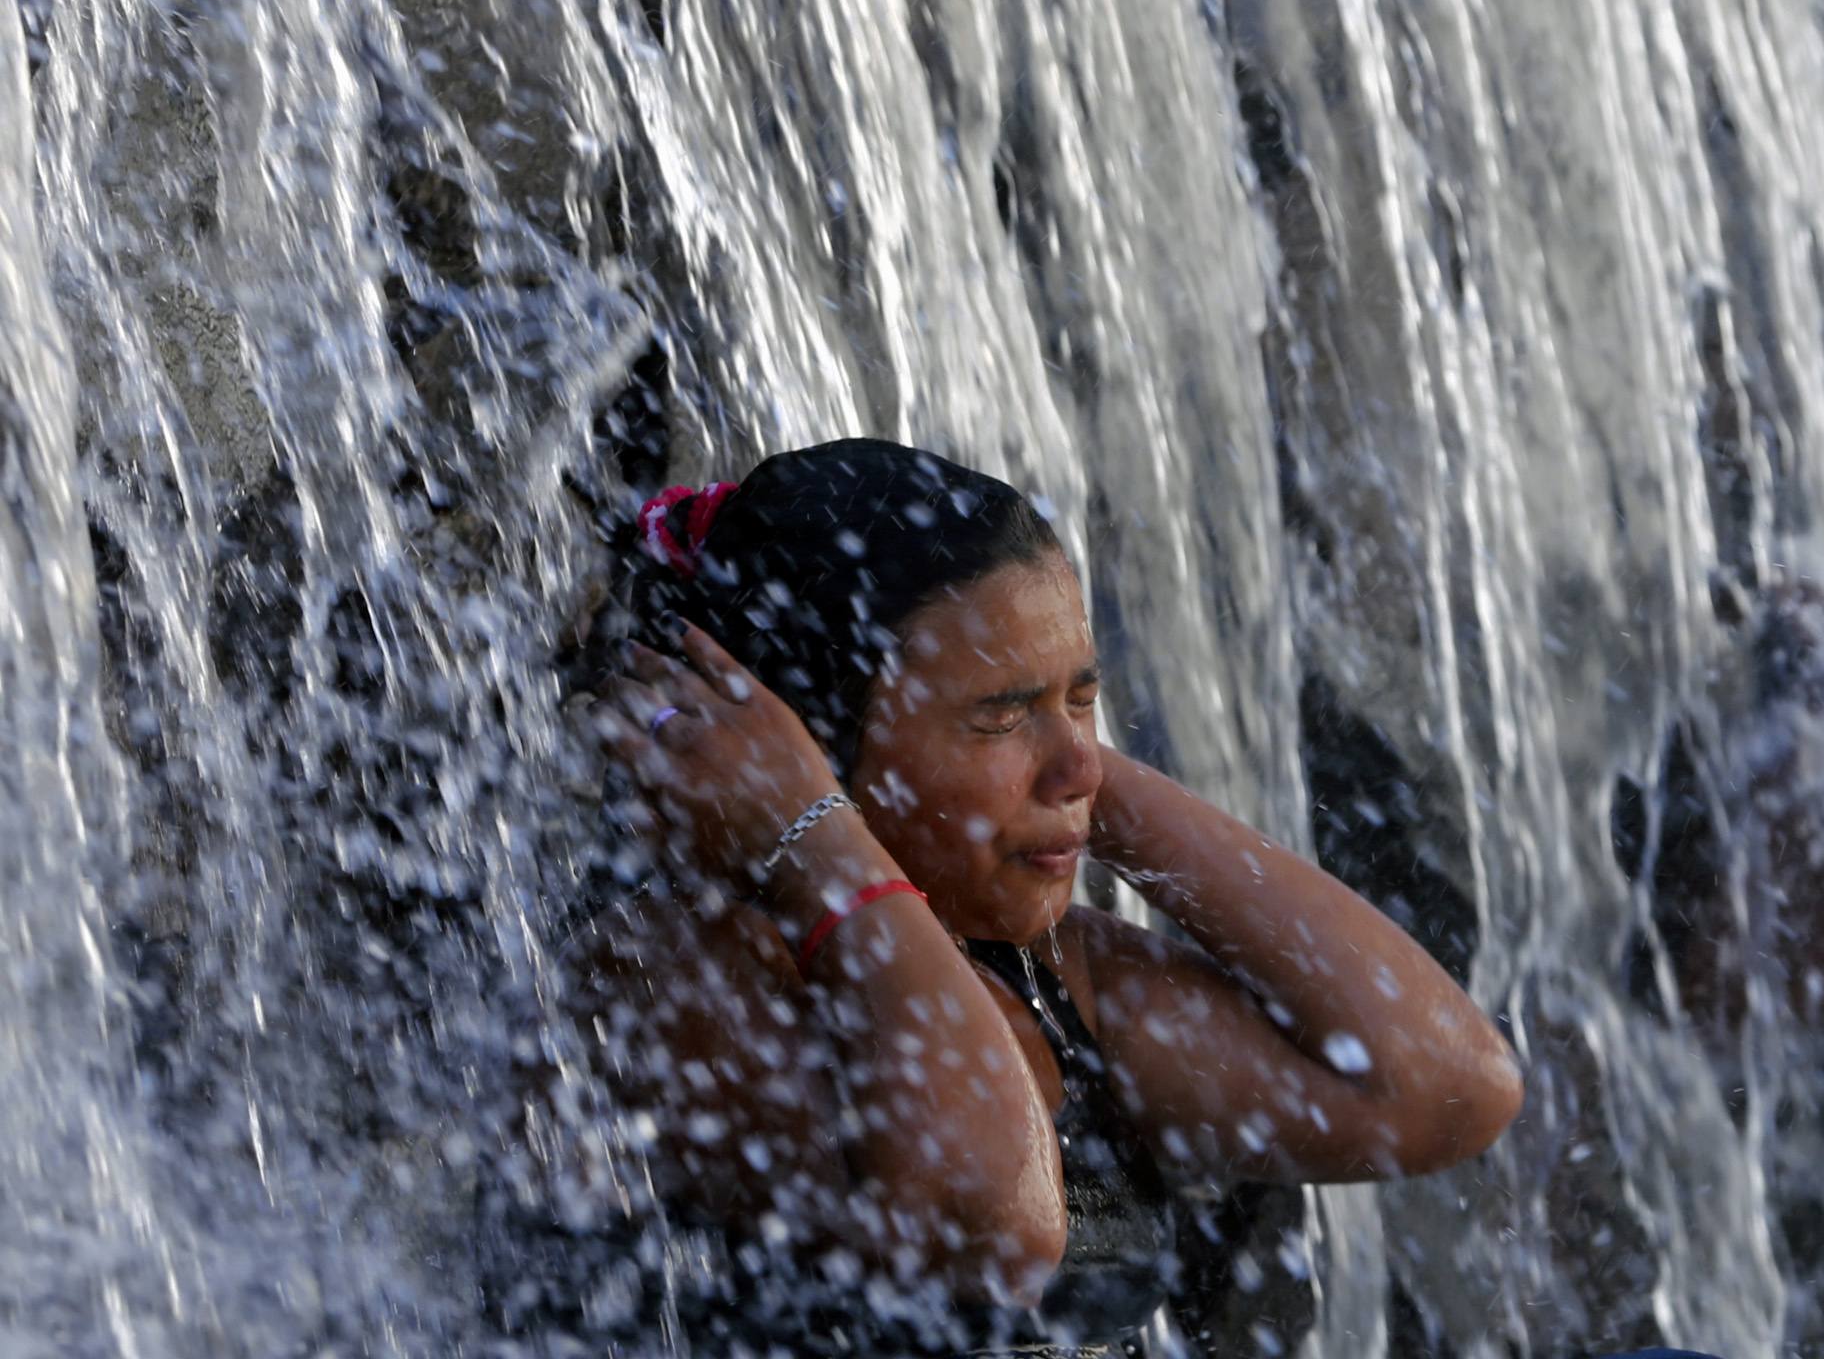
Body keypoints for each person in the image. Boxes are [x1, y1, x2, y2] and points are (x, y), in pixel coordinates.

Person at [567, 439, 1525, 1356]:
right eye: (1000, 714)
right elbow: (996, 1227)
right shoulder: (680, 972)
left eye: (1083, 698)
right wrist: (818, 840)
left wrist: (1075, 770)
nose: (1079, 766)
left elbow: (1441, 1086)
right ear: (806, 748)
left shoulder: (1053, 975)